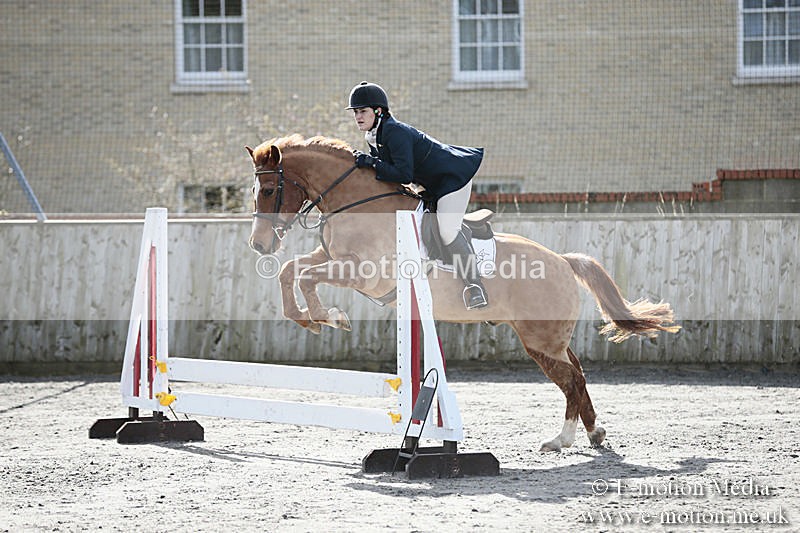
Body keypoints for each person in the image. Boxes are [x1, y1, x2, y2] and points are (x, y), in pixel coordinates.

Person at [346, 81, 488, 310]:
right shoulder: (374, 135)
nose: (358, 117)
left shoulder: (394, 132)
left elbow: (403, 174)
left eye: (362, 111)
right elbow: (385, 172)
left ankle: (475, 286)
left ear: (378, 111)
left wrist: (371, 162)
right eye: (355, 112)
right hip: (429, 185)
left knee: (447, 230)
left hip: (453, 179)